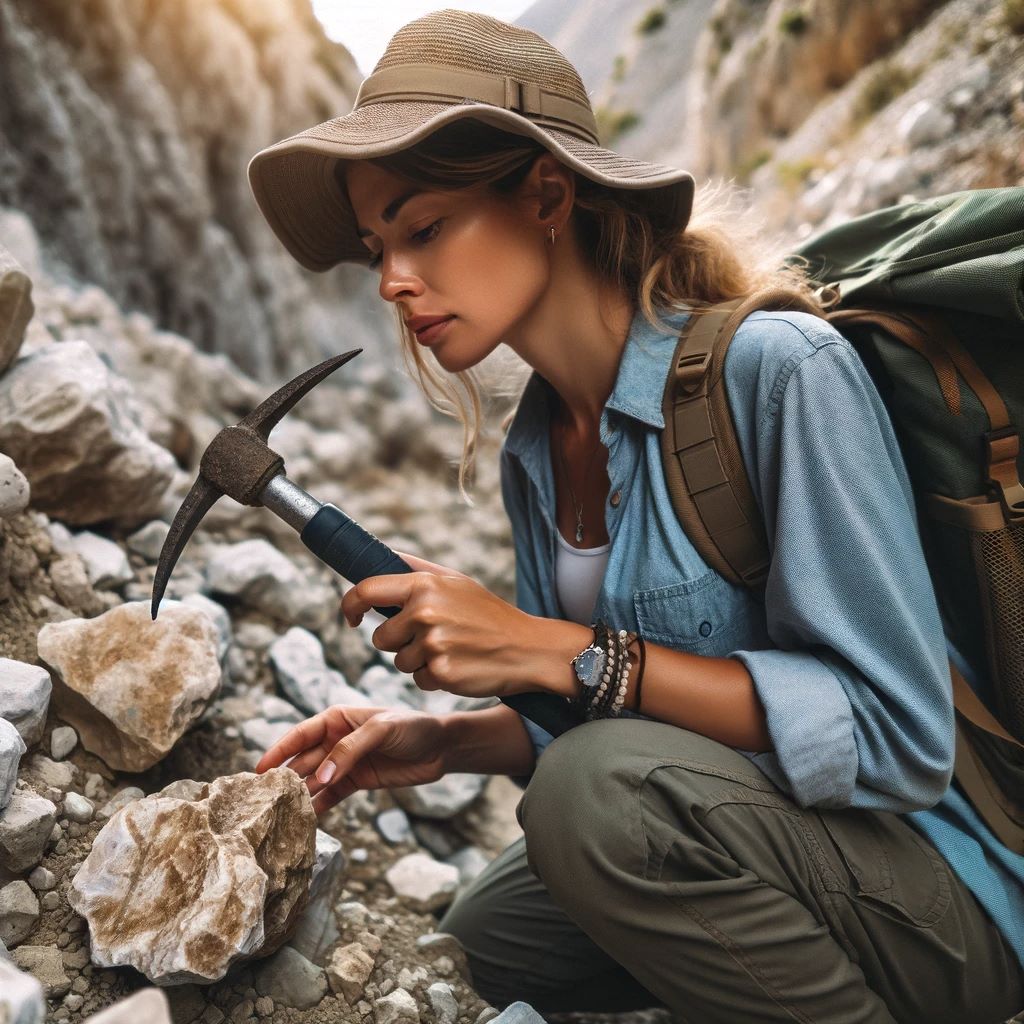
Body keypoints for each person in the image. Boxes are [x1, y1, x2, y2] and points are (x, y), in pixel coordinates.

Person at [249, 10, 1024, 1021]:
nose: (394, 280)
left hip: (939, 887)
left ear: (545, 196)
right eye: (377, 246)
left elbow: (891, 731)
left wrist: (552, 646)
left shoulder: (778, 373)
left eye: (424, 227)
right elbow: (609, 710)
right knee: (487, 944)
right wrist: (447, 742)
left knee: (588, 801)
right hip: (758, 836)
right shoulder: (536, 448)